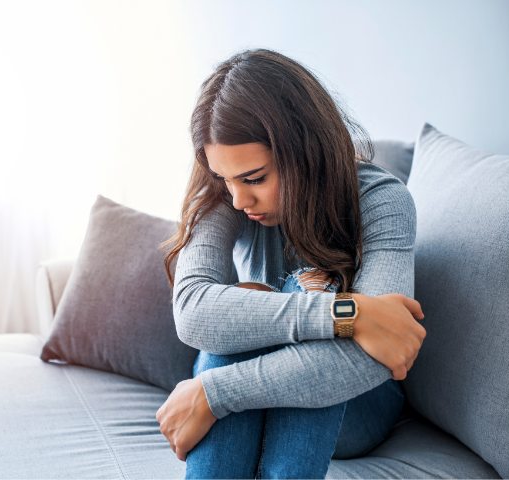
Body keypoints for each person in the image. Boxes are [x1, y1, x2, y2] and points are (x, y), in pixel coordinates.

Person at [155, 48, 426, 479]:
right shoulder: (224, 195)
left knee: (300, 285)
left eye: (255, 179)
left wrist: (213, 393)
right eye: (225, 179)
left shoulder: (383, 202)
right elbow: (192, 313)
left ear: (307, 151)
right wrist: (347, 314)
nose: (239, 200)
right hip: (267, 382)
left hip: (354, 407)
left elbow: (373, 358)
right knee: (245, 308)